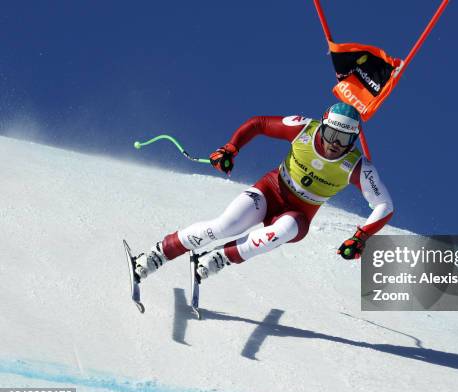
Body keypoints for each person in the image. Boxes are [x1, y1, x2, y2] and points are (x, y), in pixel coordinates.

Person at [134, 102, 393, 280]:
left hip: (297, 213)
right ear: (322, 126)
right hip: (270, 191)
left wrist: (361, 237)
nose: (335, 144)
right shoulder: (303, 129)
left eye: (344, 139)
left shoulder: (358, 166)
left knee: (284, 231)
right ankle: (157, 254)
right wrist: (230, 149)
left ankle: (217, 259)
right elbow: (258, 123)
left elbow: (384, 205)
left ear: (354, 139)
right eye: (331, 134)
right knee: (225, 226)